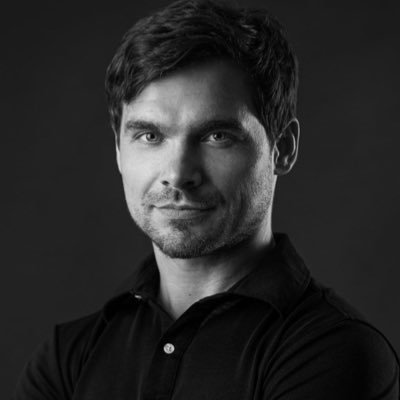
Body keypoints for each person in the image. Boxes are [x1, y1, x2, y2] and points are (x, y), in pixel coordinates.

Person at [14, 0, 399, 398]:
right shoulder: (68, 359)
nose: (178, 173)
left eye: (217, 136)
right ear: (118, 150)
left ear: (282, 148)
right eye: (150, 136)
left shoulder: (333, 352)